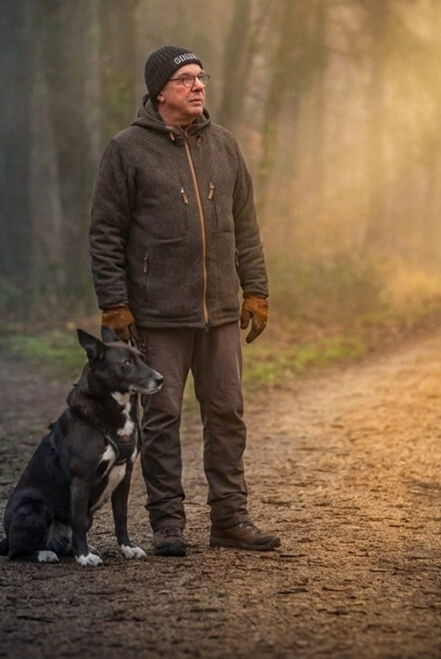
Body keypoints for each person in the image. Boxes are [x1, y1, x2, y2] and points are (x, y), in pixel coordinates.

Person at [89, 45, 280, 556]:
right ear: (159, 93)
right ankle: (168, 524)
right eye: (185, 79)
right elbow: (105, 233)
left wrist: (255, 289)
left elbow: (246, 228)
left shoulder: (225, 146)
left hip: (218, 313)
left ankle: (230, 519)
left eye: (201, 77)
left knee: (226, 414)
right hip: (157, 318)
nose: (198, 86)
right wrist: (115, 304)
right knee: (164, 419)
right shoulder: (126, 150)